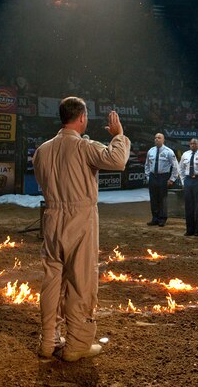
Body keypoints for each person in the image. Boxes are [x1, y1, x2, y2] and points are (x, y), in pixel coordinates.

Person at [33, 96, 130, 362]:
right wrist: (119, 135)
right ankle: (77, 344)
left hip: (52, 217)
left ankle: (48, 341)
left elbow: (41, 178)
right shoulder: (84, 147)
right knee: (81, 281)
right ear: (82, 118)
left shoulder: (42, 150)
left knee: (52, 280)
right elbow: (118, 160)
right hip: (80, 217)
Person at [144, 133, 179, 227]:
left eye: (159, 138)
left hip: (163, 177)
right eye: (155, 138)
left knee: (162, 198)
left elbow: (175, 166)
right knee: (153, 198)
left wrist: (172, 179)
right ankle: (155, 218)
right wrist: (148, 177)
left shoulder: (169, 152)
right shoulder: (150, 151)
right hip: (152, 177)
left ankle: (162, 218)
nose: (156, 139)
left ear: (163, 140)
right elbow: (147, 165)